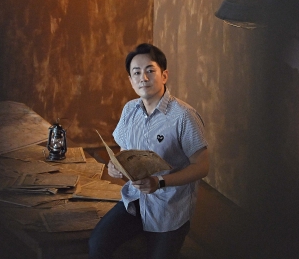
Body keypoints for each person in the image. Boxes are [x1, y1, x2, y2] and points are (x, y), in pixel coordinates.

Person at [89, 43, 209, 259]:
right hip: (134, 200)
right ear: (130, 80)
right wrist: (116, 166)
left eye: (150, 71)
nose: (143, 77)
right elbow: (124, 152)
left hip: (170, 210)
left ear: (164, 75)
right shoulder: (129, 110)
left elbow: (202, 166)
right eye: (136, 73)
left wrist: (159, 182)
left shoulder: (183, 116)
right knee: (97, 243)